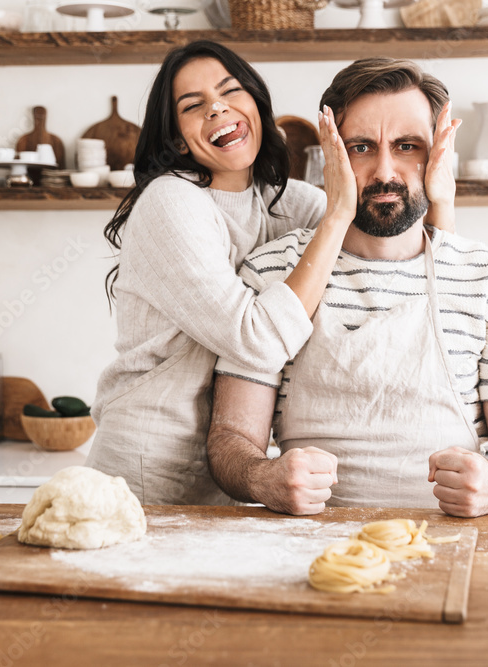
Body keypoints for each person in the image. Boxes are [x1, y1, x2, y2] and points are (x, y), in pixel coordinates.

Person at [86, 42, 461, 505]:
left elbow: (395, 246)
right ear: (179, 138)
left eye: (229, 92)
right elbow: (255, 339)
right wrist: (338, 211)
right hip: (146, 465)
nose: (217, 108)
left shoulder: (287, 203)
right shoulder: (171, 202)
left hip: (231, 466)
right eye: (193, 105)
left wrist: (439, 197)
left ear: (257, 107)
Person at [207, 57, 488, 518]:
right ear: (331, 152)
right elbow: (229, 440)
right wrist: (262, 477)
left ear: (437, 154)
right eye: (361, 147)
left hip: (451, 547)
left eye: (408, 145)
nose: (386, 171)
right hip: (305, 549)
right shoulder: (270, 273)